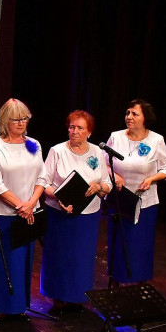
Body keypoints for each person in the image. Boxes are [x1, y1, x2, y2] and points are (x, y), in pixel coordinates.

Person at [37, 110, 111, 314]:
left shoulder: (97, 152)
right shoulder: (57, 151)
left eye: (80, 128)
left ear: (89, 132)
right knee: (59, 256)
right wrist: (59, 197)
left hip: (87, 217)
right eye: (71, 127)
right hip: (60, 214)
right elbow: (43, 183)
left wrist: (99, 188)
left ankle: (78, 297)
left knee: (81, 257)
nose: (74, 131)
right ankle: (58, 299)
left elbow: (107, 183)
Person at [0, 99, 45, 325]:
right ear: (4, 121)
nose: (21, 123)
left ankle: (18, 305)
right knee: (4, 261)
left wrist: (31, 203)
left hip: (30, 212)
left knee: (23, 262)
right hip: (6, 214)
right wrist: (21, 205)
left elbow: (43, 177)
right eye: (15, 119)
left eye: (24, 118)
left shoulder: (34, 144)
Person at [105, 99, 166, 283]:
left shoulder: (156, 140)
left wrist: (152, 179)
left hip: (145, 202)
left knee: (140, 245)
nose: (129, 117)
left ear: (145, 118)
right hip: (120, 200)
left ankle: (140, 283)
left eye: (134, 114)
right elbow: (104, 163)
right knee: (119, 243)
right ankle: (117, 280)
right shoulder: (116, 137)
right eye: (128, 113)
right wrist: (115, 176)